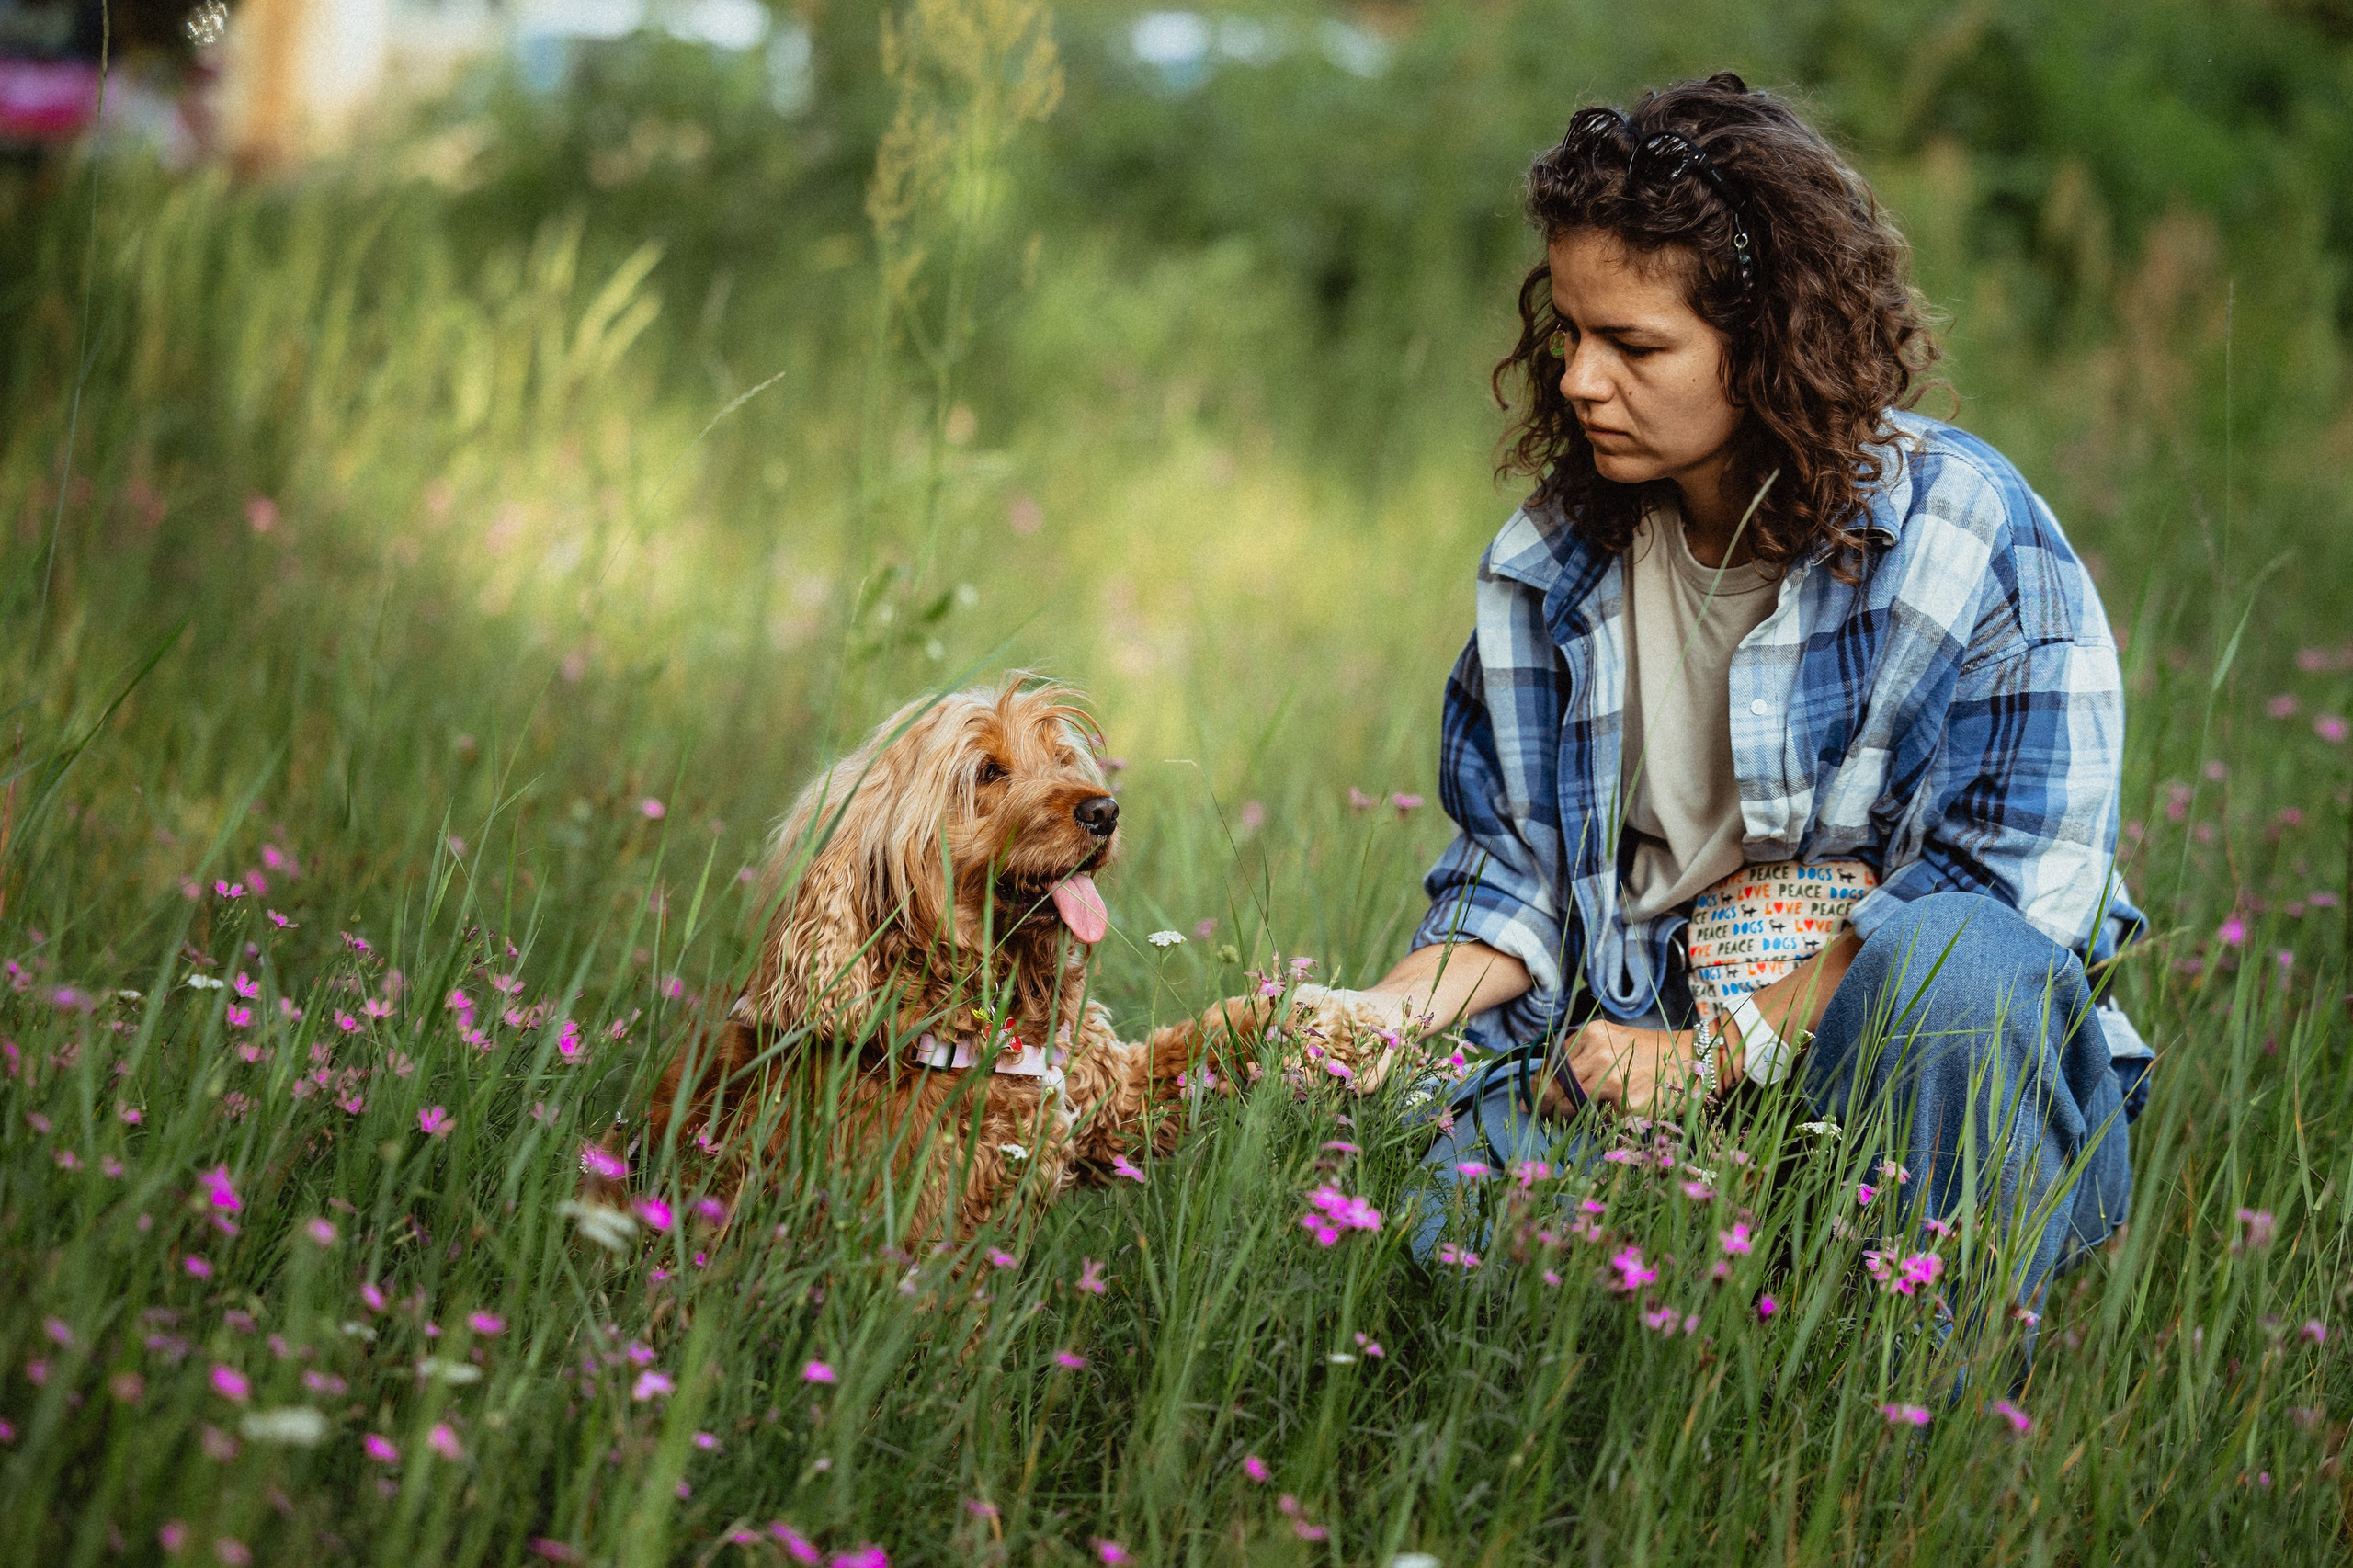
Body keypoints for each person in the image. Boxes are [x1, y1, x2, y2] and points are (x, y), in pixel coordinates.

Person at [1293, 74, 2151, 1314]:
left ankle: (1910, 1414)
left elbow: (2014, 897)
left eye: (1635, 346)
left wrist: (1712, 1054)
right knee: (1423, 1278)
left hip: (1892, 1056)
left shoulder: (1968, 533)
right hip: (1622, 1035)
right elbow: (1517, 876)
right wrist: (1378, 1016)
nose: (1582, 381)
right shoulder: (1547, 569)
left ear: (1772, 340)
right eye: (1570, 334)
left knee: (1960, 971)